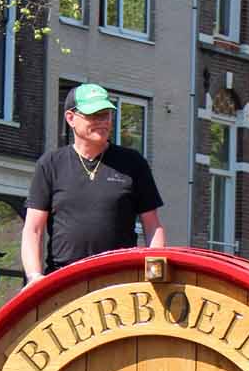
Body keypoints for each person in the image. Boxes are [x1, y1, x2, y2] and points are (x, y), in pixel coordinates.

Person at [20, 83, 165, 282]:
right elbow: (33, 229)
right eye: (94, 115)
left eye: (106, 115)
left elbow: (152, 225)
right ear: (70, 118)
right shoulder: (51, 164)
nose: (103, 122)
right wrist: (34, 277)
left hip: (120, 278)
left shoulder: (133, 163)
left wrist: (155, 274)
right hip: (64, 279)